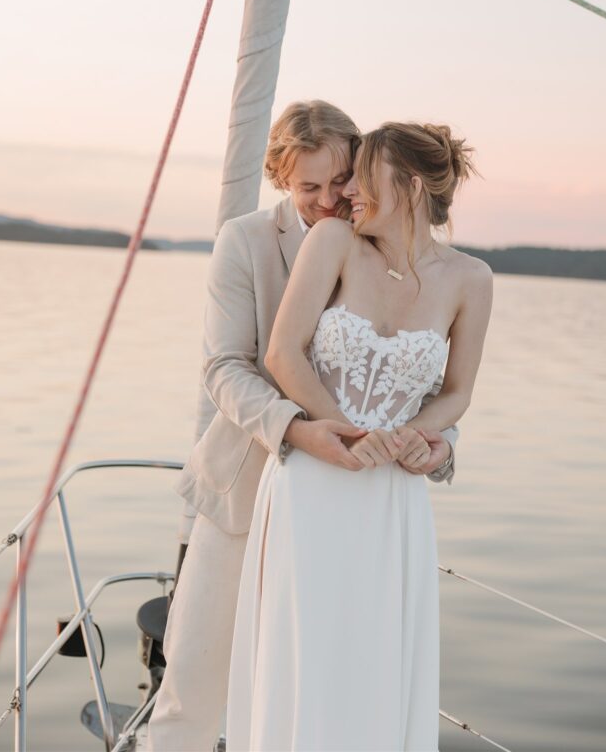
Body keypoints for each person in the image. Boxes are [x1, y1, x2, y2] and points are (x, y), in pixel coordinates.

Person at [148, 104, 459, 751]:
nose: (328, 200)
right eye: (307, 187)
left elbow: (417, 377)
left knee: (332, 694)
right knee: (193, 693)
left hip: (350, 512)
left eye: (340, 180)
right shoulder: (245, 240)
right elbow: (225, 366)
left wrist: (437, 444)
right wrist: (298, 427)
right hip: (245, 489)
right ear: (282, 182)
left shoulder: (390, 245)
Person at [226, 122, 493, 752]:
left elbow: (457, 392)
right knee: (306, 655)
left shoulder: (471, 279)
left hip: (393, 500)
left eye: (360, 174)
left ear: (412, 185)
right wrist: (346, 434)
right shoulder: (335, 242)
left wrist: (415, 437)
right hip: (314, 480)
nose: (346, 193)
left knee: (375, 657)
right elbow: (283, 354)